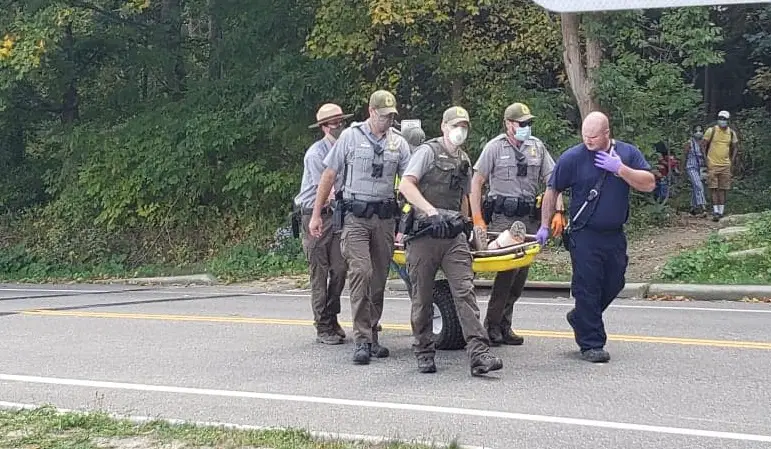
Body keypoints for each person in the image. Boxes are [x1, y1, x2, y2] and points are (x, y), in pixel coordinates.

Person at [538, 111, 655, 363]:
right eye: (585, 135)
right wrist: (545, 225)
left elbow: (649, 183)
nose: (588, 141)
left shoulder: (627, 153)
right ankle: (591, 343)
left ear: (607, 133)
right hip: (585, 234)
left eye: (593, 136)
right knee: (587, 286)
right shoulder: (573, 158)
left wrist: (620, 169)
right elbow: (552, 189)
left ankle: (581, 317)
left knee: (615, 282)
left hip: (614, 234)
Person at [398, 106, 503, 376]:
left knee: (465, 292)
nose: (460, 131)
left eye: (464, 126)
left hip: (452, 235)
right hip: (424, 234)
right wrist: (429, 210)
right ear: (444, 126)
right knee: (422, 297)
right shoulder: (427, 152)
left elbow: (467, 196)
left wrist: (470, 225)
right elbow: (406, 185)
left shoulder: (463, 159)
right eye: (456, 125)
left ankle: (479, 354)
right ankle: (423, 350)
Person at [309, 90, 411, 365]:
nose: (387, 121)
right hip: (355, 218)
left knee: (378, 279)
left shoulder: (398, 144)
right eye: (383, 116)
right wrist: (316, 214)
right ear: (371, 112)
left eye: (391, 116)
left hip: (384, 218)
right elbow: (329, 175)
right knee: (361, 272)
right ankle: (362, 339)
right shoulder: (350, 138)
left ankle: (373, 333)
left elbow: (409, 181)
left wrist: (409, 217)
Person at [469, 102, 564, 346]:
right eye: (522, 124)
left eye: (529, 123)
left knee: (520, 276)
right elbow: (476, 182)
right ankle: (491, 325)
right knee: (506, 274)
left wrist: (557, 211)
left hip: (528, 219)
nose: (526, 127)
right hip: (503, 217)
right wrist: (477, 216)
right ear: (509, 124)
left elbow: (553, 180)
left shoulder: (537, 147)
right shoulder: (494, 147)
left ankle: (504, 324)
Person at [294, 103, 352, 345]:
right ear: (323, 127)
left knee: (339, 268)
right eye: (333, 123)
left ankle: (331, 316)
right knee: (320, 272)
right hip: (315, 214)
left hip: (338, 214)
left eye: (341, 121)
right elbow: (326, 189)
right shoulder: (316, 154)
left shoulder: (346, 148)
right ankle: (322, 325)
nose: (338, 126)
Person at [701, 110, 739, 221]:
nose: (722, 121)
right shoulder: (711, 131)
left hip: (725, 164)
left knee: (723, 188)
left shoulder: (731, 133)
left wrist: (732, 160)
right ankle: (715, 211)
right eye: (721, 118)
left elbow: (735, 146)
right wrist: (706, 159)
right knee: (713, 188)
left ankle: (721, 211)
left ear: (728, 121)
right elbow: (703, 145)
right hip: (712, 164)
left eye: (724, 119)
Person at [683, 126, 707, 216]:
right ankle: (703, 207)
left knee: (695, 187)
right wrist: (682, 170)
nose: (698, 132)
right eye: (696, 131)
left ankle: (693, 207)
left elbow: (705, 156)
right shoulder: (689, 143)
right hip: (691, 167)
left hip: (701, 168)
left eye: (700, 131)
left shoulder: (704, 143)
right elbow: (684, 156)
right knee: (699, 185)